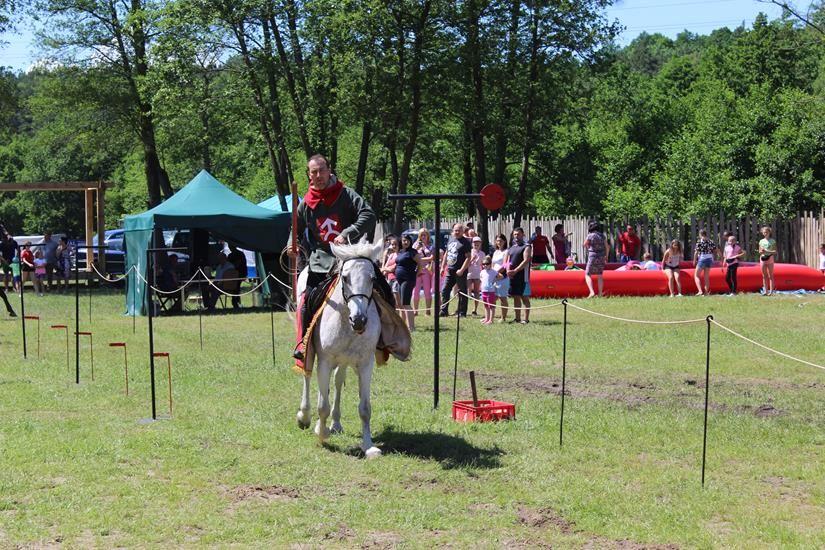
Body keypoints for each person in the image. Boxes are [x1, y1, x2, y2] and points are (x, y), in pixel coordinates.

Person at [289, 154, 377, 362]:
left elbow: (369, 214)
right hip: (321, 262)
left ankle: (386, 340)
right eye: (314, 172)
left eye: (321, 170)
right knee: (305, 301)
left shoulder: (346, 194)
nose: (318, 175)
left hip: (350, 257)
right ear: (309, 175)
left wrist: (347, 233)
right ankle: (304, 343)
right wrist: (291, 245)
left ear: (329, 170)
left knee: (380, 290)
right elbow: (296, 229)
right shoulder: (306, 203)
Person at [439, 223, 471, 318]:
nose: (457, 232)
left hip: (460, 271)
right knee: (445, 290)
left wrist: (461, 269)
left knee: (462, 291)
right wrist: (442, 267)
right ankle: (444, 311)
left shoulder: (465, 242)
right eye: (455, 230)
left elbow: (468, 257)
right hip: (450, 270)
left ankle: (462, 312)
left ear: (462, 231)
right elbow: (446, 254)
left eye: (459, 230)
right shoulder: (451, 240)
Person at [395, 234, 421, 331]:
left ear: (410, 242)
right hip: (400, 280)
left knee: (406, 303)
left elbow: (420, 264)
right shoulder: (401, 252)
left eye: (407, 240)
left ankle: (411, 327)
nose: (405, 242)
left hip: (408, 280)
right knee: (401, 304)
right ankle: (403, 325)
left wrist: (416, 274)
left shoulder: (413, 252)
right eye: (403, 240)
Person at [507, 227, 532, 324]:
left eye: (518, 234)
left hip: (523, 277)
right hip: (513, 276)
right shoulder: (512, 247)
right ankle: (517, 318)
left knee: (524, 297)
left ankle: (526, 319)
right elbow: (508, 261)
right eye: (515, 234)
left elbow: (526, 260)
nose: (516, 236)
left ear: (523, 234)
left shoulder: (527, 246)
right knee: (516, 297)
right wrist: (508, 270)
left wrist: (516, 270)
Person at [412, 228, 434, 316]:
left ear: (428, 236)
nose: (423, 236)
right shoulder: (415, 245)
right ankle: (415, 311)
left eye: (425, 234)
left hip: (426, 270)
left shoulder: (431, 246)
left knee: (427, 291)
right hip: (417, 270)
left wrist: (419, 259)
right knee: (415, 291)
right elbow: (412, 256)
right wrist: (417, 249)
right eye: (421, 235)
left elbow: (431, 258)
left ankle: (428, 311)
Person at [584, 221, 607, 297]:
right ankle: (600, 293)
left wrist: (588, 248)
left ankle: (591, 292)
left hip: (592, 256)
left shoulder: (590, 235)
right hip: (601, 256)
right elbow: (607, 246)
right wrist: (606, 256)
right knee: (600, 275)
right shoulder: (602, 236)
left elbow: (585, 244)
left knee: (587, 274)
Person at [693, 229, 718, 296]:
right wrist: (720, 257)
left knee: (696, 275)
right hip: (709, 259)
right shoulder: (710, 241)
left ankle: (700, 291)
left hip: (702, 259)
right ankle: (706, 292)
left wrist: (694, 260)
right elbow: (715, 250)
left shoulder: (700, 242)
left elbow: (696, 252)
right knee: (706, 277)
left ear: (700, 234)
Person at [491, 234, 510, 322]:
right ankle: (491, 317)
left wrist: (497, 272)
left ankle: (503, 317)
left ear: (504, 241)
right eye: (497, 241)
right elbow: (493, 264)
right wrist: (491, 273)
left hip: (502, 277)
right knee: (493, 298)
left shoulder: (506, 251)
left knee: (502, 298)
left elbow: (505, 264)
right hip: (494, 277)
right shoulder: (495, 252)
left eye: (501, 241)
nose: (499, 243)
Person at [758, 226, 777, 296]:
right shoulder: (761, 241)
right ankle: (765, 291)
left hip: (770, 258)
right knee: (764, 276)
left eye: (766, 232)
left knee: (770, 275)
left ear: (769, 232)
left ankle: (771, 292)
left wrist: (767, 251)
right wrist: (761, 251)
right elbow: (759, 251)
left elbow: (775, 251)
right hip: (763, 258)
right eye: (763, 232)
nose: (765, 233)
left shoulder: (772, 241)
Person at [381, 235, 399, 305]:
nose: (394, 246)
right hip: (389, 279)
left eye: (395, 244)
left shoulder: (400, 255)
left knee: (398, 304)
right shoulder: (391, 255)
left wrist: (385, 269)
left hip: (396, 280)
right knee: (392, 303)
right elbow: (385, 267)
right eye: (392, 244)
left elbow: (392, 269)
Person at [468, 236, 484, 315]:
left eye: (478, 242)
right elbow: (466, 264)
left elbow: (483, 265)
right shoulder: (469, 252)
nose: (476, 244)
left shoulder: (482, 254)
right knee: (466, 291)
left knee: (477, 292)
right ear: (472, 244)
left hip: (477, 274)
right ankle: (463, 308)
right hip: (469, 274)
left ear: (480, 244)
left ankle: (475, 309)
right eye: (474, 242)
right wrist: (472, 259)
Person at [479, 255, 497, 325]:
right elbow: (481, 278)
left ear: (490, 264)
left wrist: (494, 280)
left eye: (487, 264)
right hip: (484, 291)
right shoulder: (482, 272)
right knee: (486, 306)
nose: (485, 265)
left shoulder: (493, 272)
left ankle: (491, 320)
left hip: (491, 291)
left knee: (491, 306)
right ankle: (487, 318)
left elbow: (500, 276)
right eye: (483, 264)